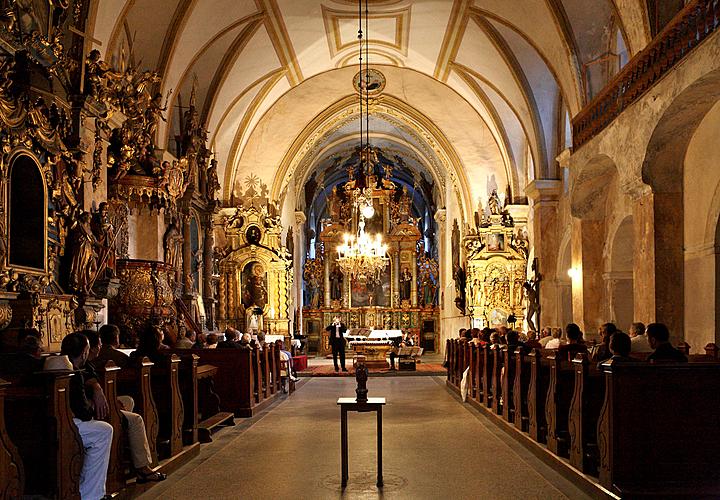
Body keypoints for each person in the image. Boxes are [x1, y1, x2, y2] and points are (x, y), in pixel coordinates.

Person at [59, 332, 113, 500]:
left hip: (53, 420)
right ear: (83, 353)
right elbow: (85, 413)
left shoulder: (55, 365)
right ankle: (92, 495)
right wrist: (90, 406)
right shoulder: (74, 373)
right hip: (67, 424)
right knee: (104, 431)